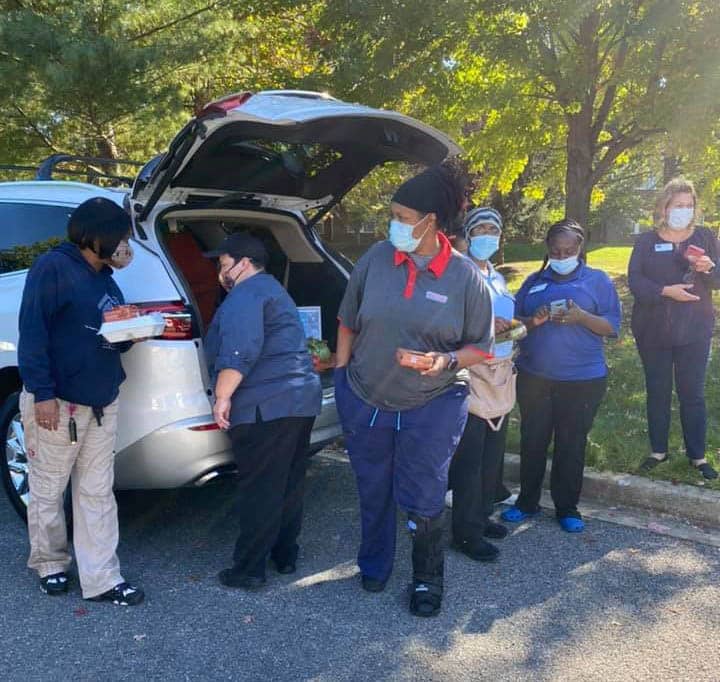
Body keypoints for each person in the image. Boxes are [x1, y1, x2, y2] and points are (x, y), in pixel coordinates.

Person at [334, 163, 494, 618]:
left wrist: (445, 361)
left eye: (403, 217)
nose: (395, 225)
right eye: (394, 215)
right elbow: (348, 322)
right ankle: (374, 563)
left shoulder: (465, 278)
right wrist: (343, 382)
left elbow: (480, 348)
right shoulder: (375, 259)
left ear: (432, 222)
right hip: (366, 398)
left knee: (425, 495)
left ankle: (426, 577)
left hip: (432, 405)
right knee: (372, 486)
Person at [18, 197, 144, 605]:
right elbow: (32, 333)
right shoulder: (52, 268)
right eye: (120, 237)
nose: (125, 246)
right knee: (48, 488)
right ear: (94, 236)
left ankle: (102, 579)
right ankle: (50, 563)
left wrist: (130, 331)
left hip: (102, 400)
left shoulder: (105, 276)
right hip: (59, 403)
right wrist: (43, 394)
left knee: (97, 492)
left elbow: (103, 332)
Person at [204, 232, 322, 589]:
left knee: (261, 489)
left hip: (264, 405)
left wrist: (222, 396)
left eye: (224, 265)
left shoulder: (246, 293)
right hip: (299, 400)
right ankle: (285, 554)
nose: (220, 273)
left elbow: (241, 349)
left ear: (243, 264)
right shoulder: (273, 289)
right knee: (288, 481)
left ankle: (249, 569)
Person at [501, 219, 621, 533]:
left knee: (571, 443)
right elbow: (513, 326)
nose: (562, 254)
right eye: (556, 250)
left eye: (569, 250)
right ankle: (526, 501)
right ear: (548, 249)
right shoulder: (533, 281)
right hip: (535, 377)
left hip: (583, 379)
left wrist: (582, 317)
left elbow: (611, 328)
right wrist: (536, 319)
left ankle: (567, 506)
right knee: (533, 440)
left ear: (580, 249)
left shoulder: (598, 281)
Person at [628, 178, 719, 480]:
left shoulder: (706, 237)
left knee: (692, 392)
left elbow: (718, 280)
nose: (684, 211)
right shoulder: (645, 241)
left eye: (688, 206)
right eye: (678, 205)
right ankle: (658, 450)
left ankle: (697, 455)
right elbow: (636, 282)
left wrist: (710, 268)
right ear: (664, 207)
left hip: (694, 329)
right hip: (653, 328)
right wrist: (666, 291)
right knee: (658, 390)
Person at [448, 207, 516, 562]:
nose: (488, 235)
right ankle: (465, 532)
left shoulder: (495, 276)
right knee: (470, 460)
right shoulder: (458, 274)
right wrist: (492, 328)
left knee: (492, 456)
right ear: (469, 234)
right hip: (472, 374)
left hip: (499, 374)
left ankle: (482, 515)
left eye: (494, 229)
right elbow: (449, 325)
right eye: (481, 229)